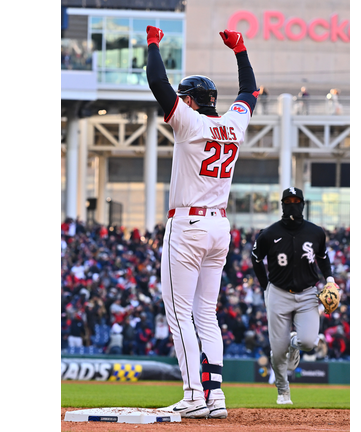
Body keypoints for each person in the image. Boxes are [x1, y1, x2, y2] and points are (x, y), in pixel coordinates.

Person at [145, 25, 258, 419]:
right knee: (206, 313)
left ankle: (194, 394)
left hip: (188, 225)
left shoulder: (190, 122)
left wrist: (153, 44)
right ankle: (216, 397)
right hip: (219, 227)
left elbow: (157, 82)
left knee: (179, 313)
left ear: (191, 101)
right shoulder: (234, 124)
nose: (180, 102)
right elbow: (249, 92)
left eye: (183, 98)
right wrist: (240, 50)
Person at [250, 187, 339, 405]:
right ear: (282, 205)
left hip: (308, 293)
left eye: (296, 201)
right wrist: (266, 287)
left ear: (302, 204)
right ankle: (283, 390)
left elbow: (323, 257)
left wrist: (329, 279)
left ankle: (293, 341)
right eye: (288, 201)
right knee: (278, 352)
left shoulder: (315, 232)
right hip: (278, 293)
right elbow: (256, 259)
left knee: (308, 342)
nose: (292, 205)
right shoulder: (268, 233)